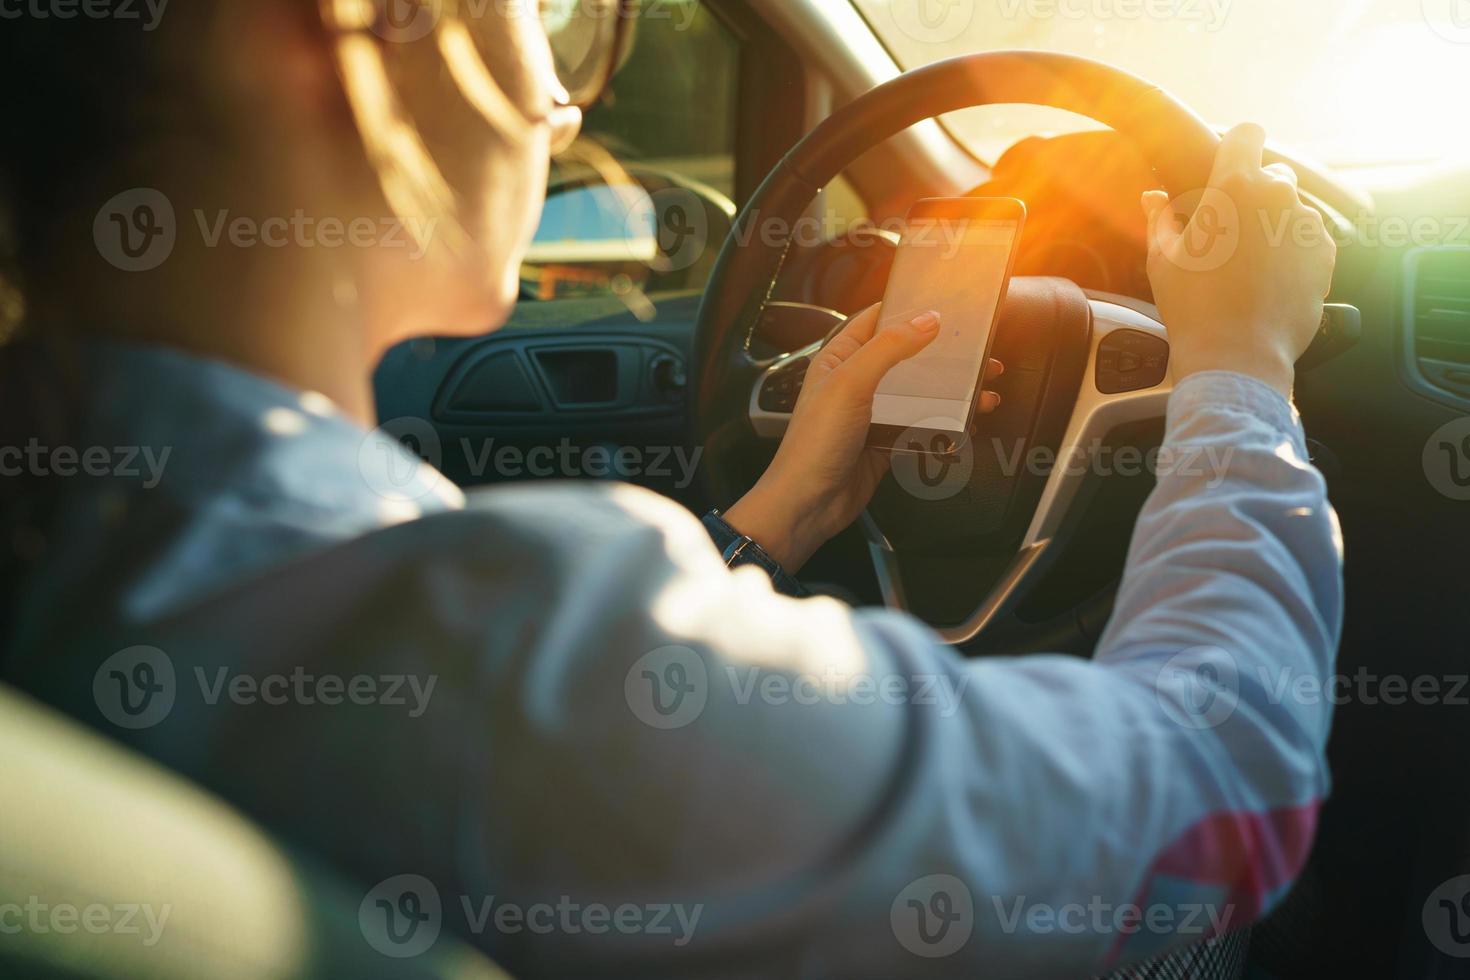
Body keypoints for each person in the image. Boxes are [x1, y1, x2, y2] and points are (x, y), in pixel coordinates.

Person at [0, 2, 1338, 977]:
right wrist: (1237, 362)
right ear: (341, 27)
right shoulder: (510, 655)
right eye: (549, 15)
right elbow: (1223, 792)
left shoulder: (91, 540)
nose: (562, 98)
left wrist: (780, 516)